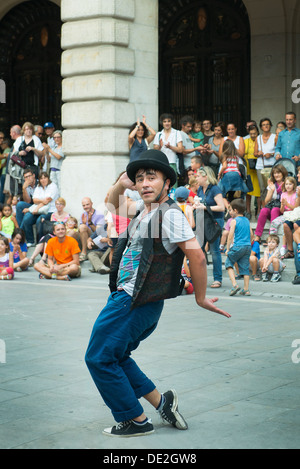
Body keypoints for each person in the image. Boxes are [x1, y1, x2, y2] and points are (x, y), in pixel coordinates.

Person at [85, 149, 230, 438]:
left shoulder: (169, 215)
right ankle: (162, 403)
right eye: (140, 179)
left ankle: (135, 420)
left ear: (167, 182)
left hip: (135, 301)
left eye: (152, 177)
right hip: (132, 299)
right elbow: (112, 205)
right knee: (118, 355)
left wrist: (200, 298)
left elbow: (197, 257)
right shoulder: (144, 210)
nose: (145, 183)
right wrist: (121, 184)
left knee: (99, 357)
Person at [194, 166, 225, 288]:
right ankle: (201, 277)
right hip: (203, 220)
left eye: (198, 176)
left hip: (214, 221)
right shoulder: (200, 189)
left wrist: (205, 207)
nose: (196, 178)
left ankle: (218, 279)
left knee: (214, 250)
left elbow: (221, 207)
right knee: (200, 249)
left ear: (205, 176)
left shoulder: (215, 189)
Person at [20, 172, 59, 246]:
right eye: (41, 178)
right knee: (27, 218)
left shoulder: (53, 186)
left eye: (45, 178)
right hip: (39, 210)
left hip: (49, 211)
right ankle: (30, 241)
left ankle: (39, 242)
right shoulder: (38, 187)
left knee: (39, 221)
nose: (43, 180)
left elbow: (47, 201)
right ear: (39, 180)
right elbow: (34, 200)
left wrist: (36, 208)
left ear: (48, 178)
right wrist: (41, 201)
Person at [225, 199, 252, 296]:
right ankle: (246, 289)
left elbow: (230, 235)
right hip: (247, 246)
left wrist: (228, 249)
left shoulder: (234, 221)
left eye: (231, 210)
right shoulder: (246, 220)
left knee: (229, 263)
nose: (230, 212)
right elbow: (251, 233)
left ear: (235, 210)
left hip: (238, 246)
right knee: (245, 268)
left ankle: (235, 285)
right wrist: (249, 242)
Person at [254, 164, 288, 242]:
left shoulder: (287, 183)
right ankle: (258, 235)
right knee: (263, 210)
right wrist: (272, 190)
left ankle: (272, 237)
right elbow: (266, 201)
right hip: (274, 207)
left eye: (278, 173)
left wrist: (280, 189)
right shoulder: (272, 184)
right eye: (275, 173)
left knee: (275, 210)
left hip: (283, 209)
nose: (276, 175)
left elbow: (287, 197)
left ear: (283, 173)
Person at [153, 113, 183, 187]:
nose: (167, 123)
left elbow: (180, 149)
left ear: (171, 122)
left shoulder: (177, 133)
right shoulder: (159, 134)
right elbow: (155, 150)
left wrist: (170, 147)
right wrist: (160, 146)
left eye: (168, 121)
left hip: (172, 162)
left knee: (173, 185)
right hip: (161, 162)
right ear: (162, 123)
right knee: (161, 184)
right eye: (165, 121)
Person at [218, 140, 249, 206]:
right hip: (236, 174)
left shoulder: (224, 156)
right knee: (233, 191)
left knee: (223, 191)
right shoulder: (236, 157)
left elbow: (224, 166)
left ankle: (227, 205)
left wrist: (219, 174)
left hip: (228, 174)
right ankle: (232, 201)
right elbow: (237, 166)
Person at [254, 118, 276, 197]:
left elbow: (278, 151)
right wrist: (258, 153)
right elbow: (255, 153)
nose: (266, 126)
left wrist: (271, 154)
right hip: (260, 166)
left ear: (270, 126)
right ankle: (264, 208)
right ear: (261, 127)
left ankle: (272, 207)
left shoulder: (275, 137)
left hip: (272, 166)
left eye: (267, 124)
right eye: (263, 125)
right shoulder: (258, 138)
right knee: (263, 188)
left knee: (272, 187)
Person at [79, 197, 105, 261]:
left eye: (87, 204)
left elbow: (98, 233)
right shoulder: (83, 214)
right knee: (74, 231)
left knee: (83, 227)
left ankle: (84, 253)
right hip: (86, 239)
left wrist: (90, 223)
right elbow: (81, 231)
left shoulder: (99, 214)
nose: (85, 207)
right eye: (84, 205)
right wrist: (84, 223)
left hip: (97, 239)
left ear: (92, 204)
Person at [244, 124, 260, 218]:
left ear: (257, 132)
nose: (253, 135)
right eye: (251, 134)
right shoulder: (246, 141)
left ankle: (258, 211)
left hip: (257, 168)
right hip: (248, 169)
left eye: (254, 133)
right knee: (248, 191)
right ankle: (248, 211)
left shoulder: (260, 140)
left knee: (258, 192)